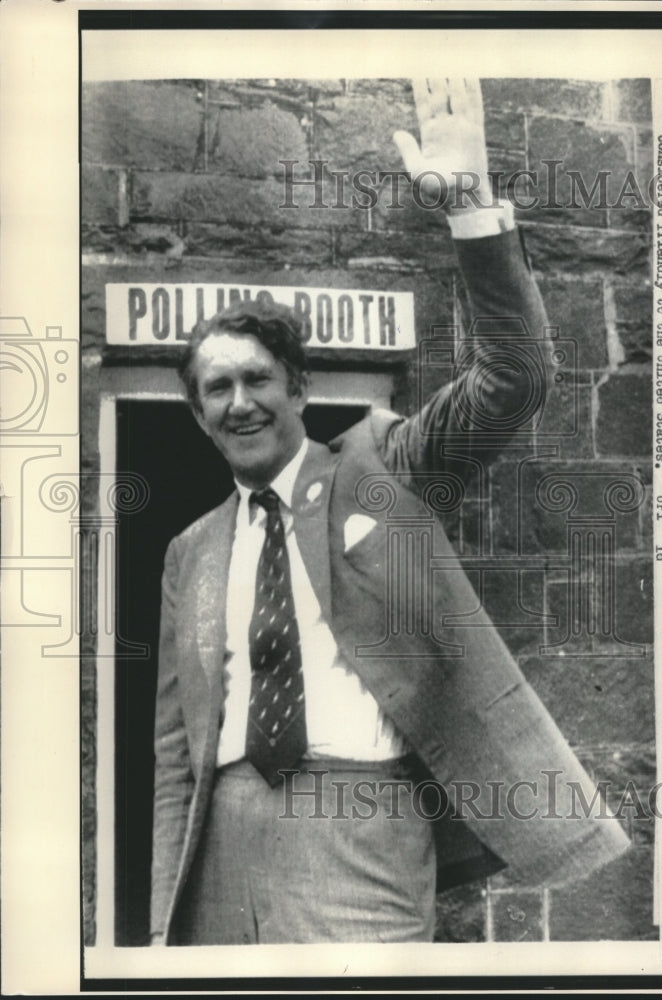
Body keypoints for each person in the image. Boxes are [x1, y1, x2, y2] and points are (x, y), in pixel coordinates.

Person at [150, 78, 629, 946]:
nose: (239, 403)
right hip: (218, 851)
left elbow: (514, 381)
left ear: (299, 388)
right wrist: (158, 924)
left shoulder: (381, 467)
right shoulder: (192, 549)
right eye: (216, 389)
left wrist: (472, 215)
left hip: (360, 833)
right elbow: (174, 757)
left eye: (258, 379)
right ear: (198, 413)